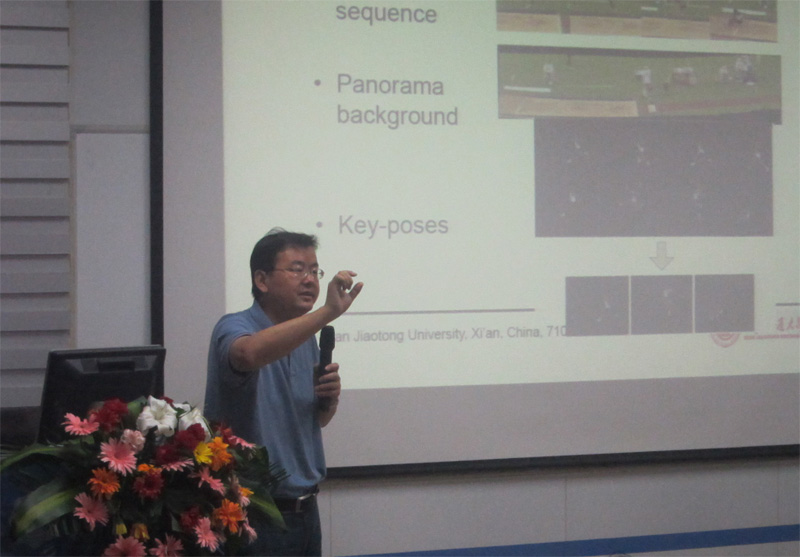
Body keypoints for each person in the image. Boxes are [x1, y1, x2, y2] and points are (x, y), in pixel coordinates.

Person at [204, 228, 363, 556]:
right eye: (297, 269)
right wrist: (327, 312)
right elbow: (248, 355)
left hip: (306, 510)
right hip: (253, 514)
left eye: (314, 271)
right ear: (261, 280)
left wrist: (328, 401)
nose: (310, 280)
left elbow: (313, 421)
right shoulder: (234, 326)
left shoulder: (306, 339)